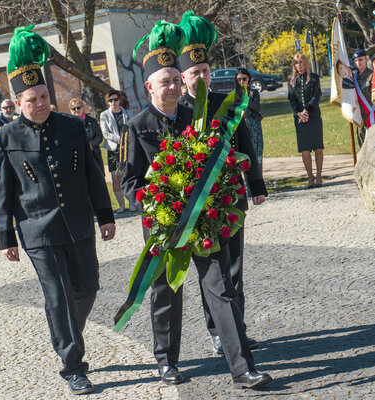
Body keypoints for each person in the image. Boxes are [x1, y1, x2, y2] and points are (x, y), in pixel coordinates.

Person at [120, 17, 271, 389]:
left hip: (204, 222)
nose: (173, 86)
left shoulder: (197, 116)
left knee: (221, 288)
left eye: (176, 79)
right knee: (166, 292)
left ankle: (242, 367)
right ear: (150, 86)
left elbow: (218, 160)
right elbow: (128, 183)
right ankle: (166, 361)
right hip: (164, 226)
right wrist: (156, 199)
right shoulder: (136, 127)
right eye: (165, 81)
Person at [0, 25, 115, 395]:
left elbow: (93, 176)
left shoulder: (72, 127)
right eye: (33, 99)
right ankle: (73, 364)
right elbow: (2, 191)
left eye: (44, 96)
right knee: (57, 295)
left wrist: (106, 215)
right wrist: (5, 237)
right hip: (38, 232)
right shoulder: (5, 137)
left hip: (78, 225)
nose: (41, 103)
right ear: (19, 102)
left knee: (88, 288)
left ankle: (66, 331)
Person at [177, 12, 268, 370]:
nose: (201, 77)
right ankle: (219, 331)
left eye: (205, 71)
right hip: (198, 208)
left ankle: (237, 327)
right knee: (211, 270)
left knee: (235, 267)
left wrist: (256, 185)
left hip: (230, 198)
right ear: (183, 78)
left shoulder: (226, 102)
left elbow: (245, 143)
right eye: (194, 73)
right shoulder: (178, 110)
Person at [288, 53, 324, 188]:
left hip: (313, 116)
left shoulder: (314, 78)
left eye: (301, 62)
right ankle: (310, 177)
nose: (299, 65)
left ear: (306, 63)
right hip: (299, 119)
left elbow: (316, 96)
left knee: (318, 147)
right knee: (304, 149)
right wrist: (298, 113)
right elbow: (291, 99)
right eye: (296, 63)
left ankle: (319, 175)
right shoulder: (291, 81)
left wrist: (306, 110)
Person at [100, 90, 135, 213]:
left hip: (128, 149)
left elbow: (132, 129)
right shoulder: (104, 115)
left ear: (119, 100)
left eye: (115, 99)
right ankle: (121, 205)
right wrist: (121, 140)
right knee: (116, 178)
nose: (113, 102)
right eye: (110, 100)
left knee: (129, 176)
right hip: (113, 150)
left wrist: (127, 142)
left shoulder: (128, 113)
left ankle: (132, 203)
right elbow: (106, 133)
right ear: (107, 102)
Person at [236, 68, 264, 167]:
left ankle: (259, 179)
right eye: (239, 79)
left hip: (254, 127)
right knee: (244, 155)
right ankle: (246, 181)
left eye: (244, 79)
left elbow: (256, 108)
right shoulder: (234, 94)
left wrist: (246, 97)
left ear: (248, 79)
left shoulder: (253, 92)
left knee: (257, 155)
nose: (241, 82)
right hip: (242, 127)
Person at [69, 98, 104, 174]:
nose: (76, 110)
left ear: (83, 108)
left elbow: (99, 137)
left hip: (94, 155)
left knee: (98, 179)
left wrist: (89, 145)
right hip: (79, 157)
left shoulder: (92, 121)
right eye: (73, 108)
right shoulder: (68, 125)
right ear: (70, 111)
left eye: (78, 107)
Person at [352, 49, 375, 146]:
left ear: (366, 59)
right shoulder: (353, 78)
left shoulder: (373, 75)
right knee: (362, 144)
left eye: (360, 60)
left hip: (373, 115)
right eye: (356, 60)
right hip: (360, 116)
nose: (358, 63)